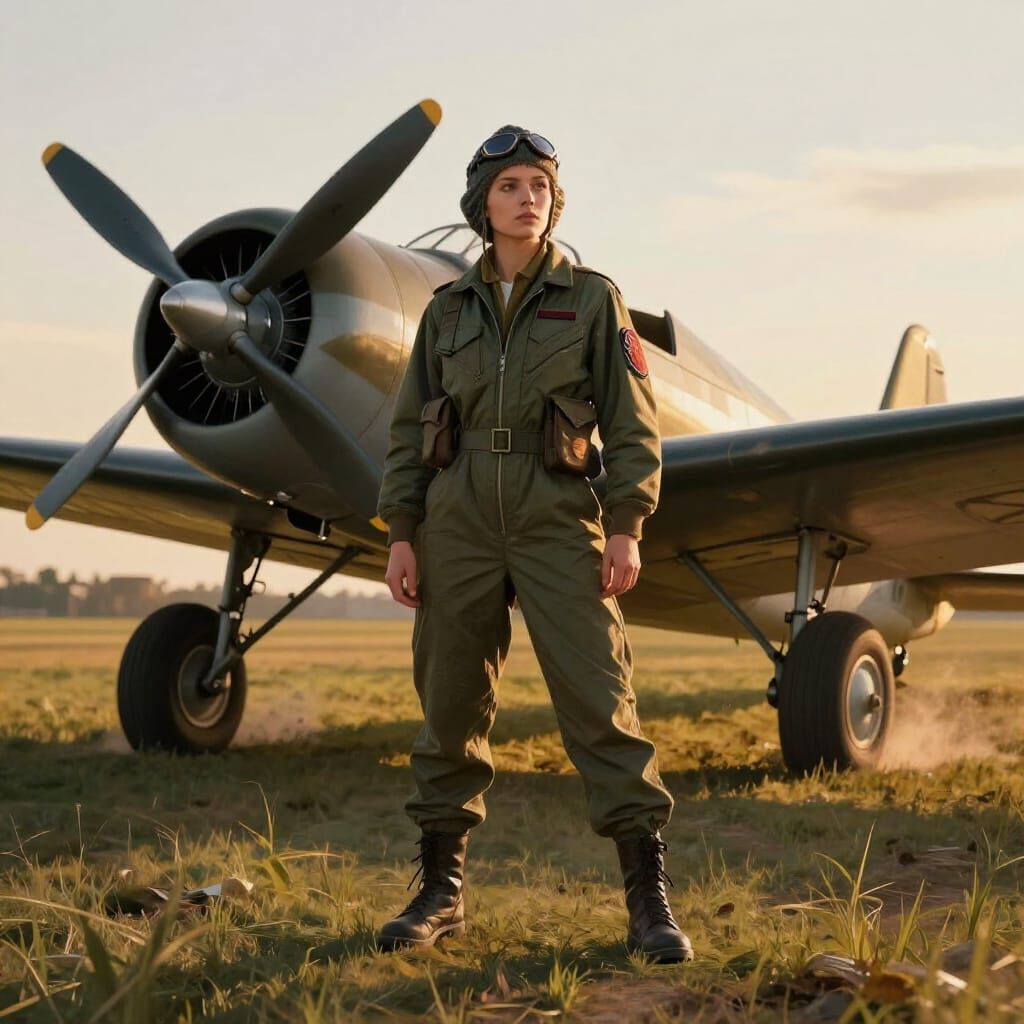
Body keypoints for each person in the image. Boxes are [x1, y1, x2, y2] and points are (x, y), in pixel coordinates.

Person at [375, 126, 692, 963]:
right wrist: (403, 533)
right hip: (457, 523)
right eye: (510, 186)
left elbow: (633, 425)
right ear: (481, 204)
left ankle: (648, 902)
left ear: (555, 202)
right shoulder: (445, 311)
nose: (527, 198)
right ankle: (440, 892)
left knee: (601, 702)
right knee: (448, 707)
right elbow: (408, 432)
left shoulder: (592, 300)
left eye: (540, 186)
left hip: (558, 517)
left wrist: (625, 525)